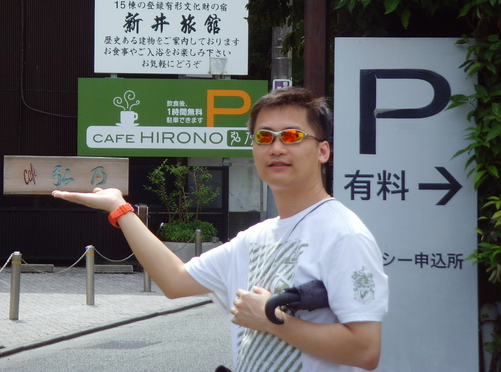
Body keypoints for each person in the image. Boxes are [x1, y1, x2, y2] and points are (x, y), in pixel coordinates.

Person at [52, 87, 388, 371]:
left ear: (323, 151)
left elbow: (365, 350)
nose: (276, 148)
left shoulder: (343, 235)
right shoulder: (255, 238)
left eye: (291, 136)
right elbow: (175, 281)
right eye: (264, 137)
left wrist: (272, 319)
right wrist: (120, 209)